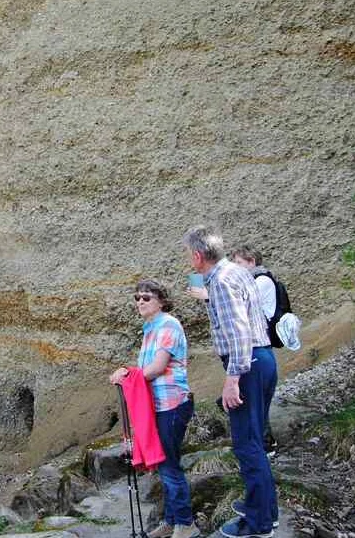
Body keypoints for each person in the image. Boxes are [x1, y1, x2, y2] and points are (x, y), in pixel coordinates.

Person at [183, 227, 278, 538]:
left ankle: (258, 523)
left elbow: (238, 331)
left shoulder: (221, 282)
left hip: (246, 364)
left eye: (189, 254)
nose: (189, 260)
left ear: (197, 256)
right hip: (263, 359)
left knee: (247, 445)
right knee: (255, 440)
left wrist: (232, 379)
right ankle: (265, 510)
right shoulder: (236, 272)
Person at [109, 281, 198, 538]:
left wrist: (127, 379)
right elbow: (145, 371)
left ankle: (186, 524)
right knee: (164, 464)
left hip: (172, 403)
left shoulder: (168, 325)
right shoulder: (150, 328)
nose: (139, 302)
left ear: (161, 300)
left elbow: (158, 368)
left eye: (146, 298)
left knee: (169, 465)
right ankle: (171, 521)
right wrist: (129, 374)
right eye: (137, 298)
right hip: (158, 405)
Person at [230, 245, 282, 452]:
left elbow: (242, 306)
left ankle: (264, 446)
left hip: (259, 345)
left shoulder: (260, 281)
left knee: (256, 401)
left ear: (251, 261)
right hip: (260, 346)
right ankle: (264, 443)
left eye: (239, 263)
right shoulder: (258, 280)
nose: (235, 269)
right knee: (257, 401)